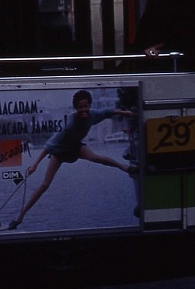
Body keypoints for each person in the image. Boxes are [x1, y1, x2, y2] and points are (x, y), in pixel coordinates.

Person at [9, 90, 134, 229]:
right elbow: (49, 145)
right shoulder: (69, 124)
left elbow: (108, 112)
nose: (84, 110)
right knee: (45, 185)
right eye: (80, 107)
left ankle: (125, 167)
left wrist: (126, 113)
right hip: (60, 151)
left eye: (86, 106)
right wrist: (35, 165)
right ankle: (19, 217)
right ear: (76, 108)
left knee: (96, 158)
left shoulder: (93, 115)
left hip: (75, 148)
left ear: (89, 105)